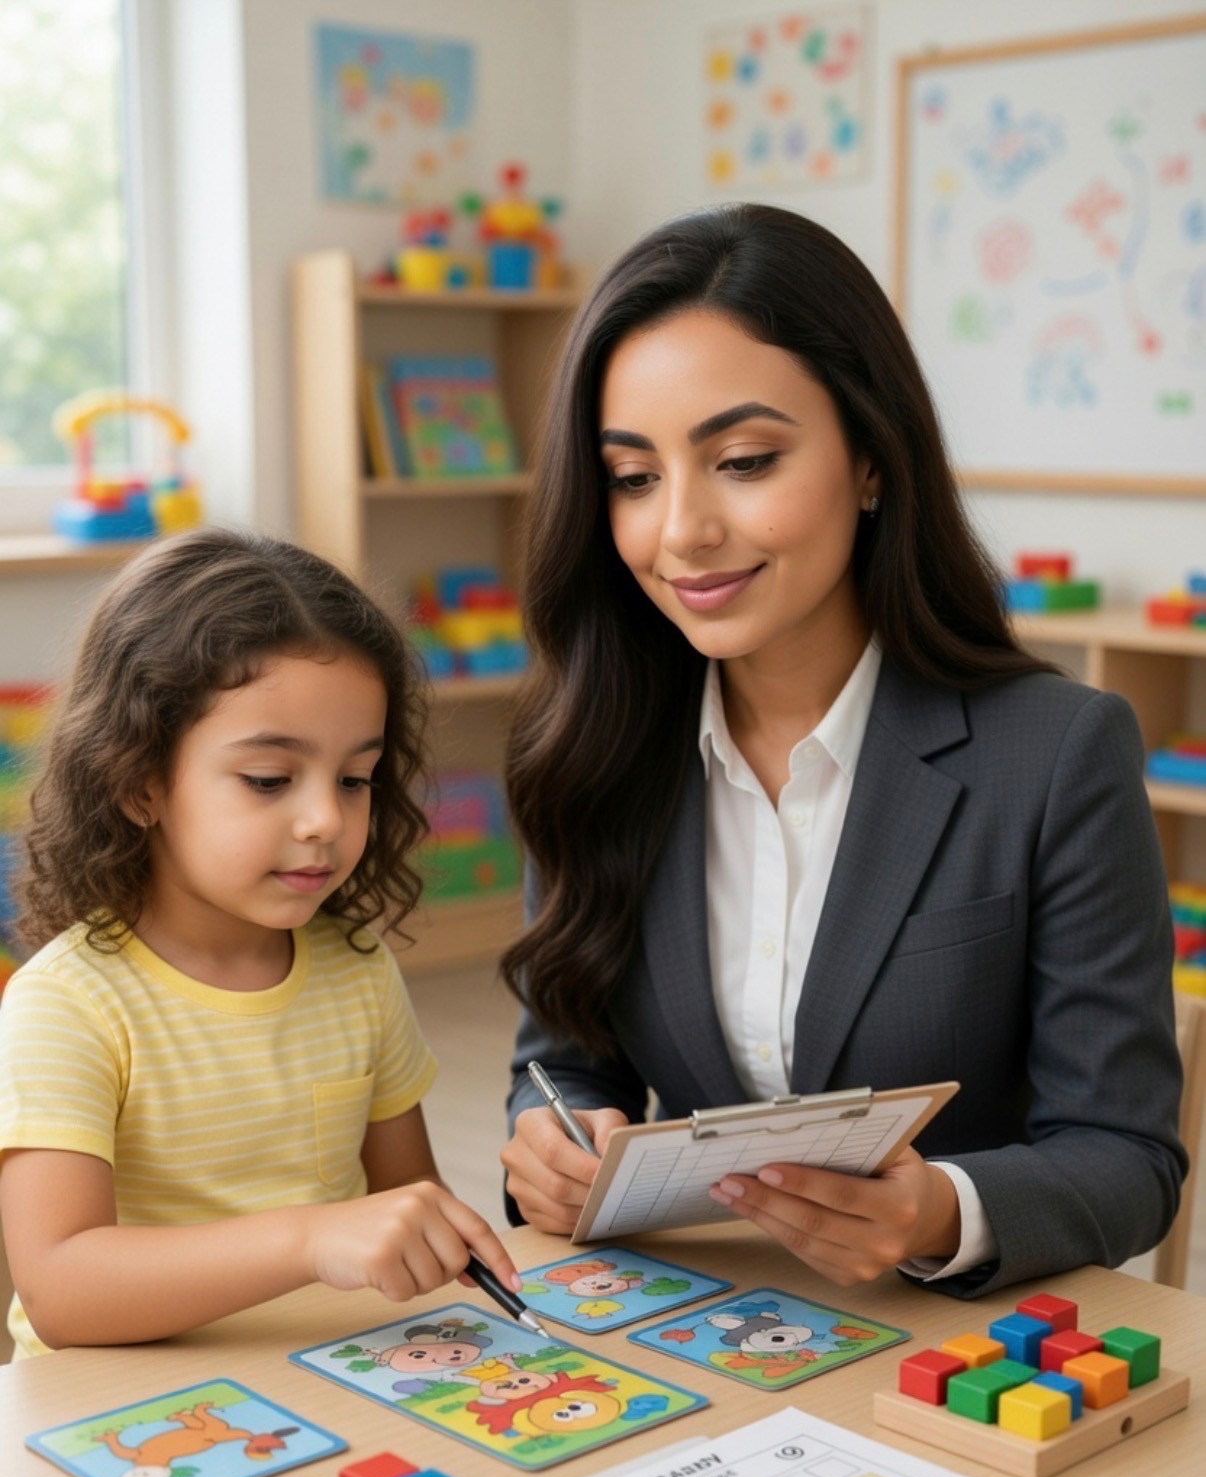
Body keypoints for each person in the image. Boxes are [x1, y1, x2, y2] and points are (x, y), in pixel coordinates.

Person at [499, 202, 1185, 1299]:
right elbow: (566, 1063)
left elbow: (1128, 1159)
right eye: (633, 477)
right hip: (714, 1336)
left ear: (871, 458)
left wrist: (939, 1213)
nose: (681, 531)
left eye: (744, 459)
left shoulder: (1057, 754)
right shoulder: (593, 749)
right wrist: (552, 1138)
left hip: (958, 1347)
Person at [0, 528, 520, 1357]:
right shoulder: (66, 1004)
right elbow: (62, 1290)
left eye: (355, 780)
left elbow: (405, 1199)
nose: (325, 820)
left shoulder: (357, 971)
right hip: (125, 1416)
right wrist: (311, 1239)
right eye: (270, 780)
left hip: (334, 1373)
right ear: (137, 781)